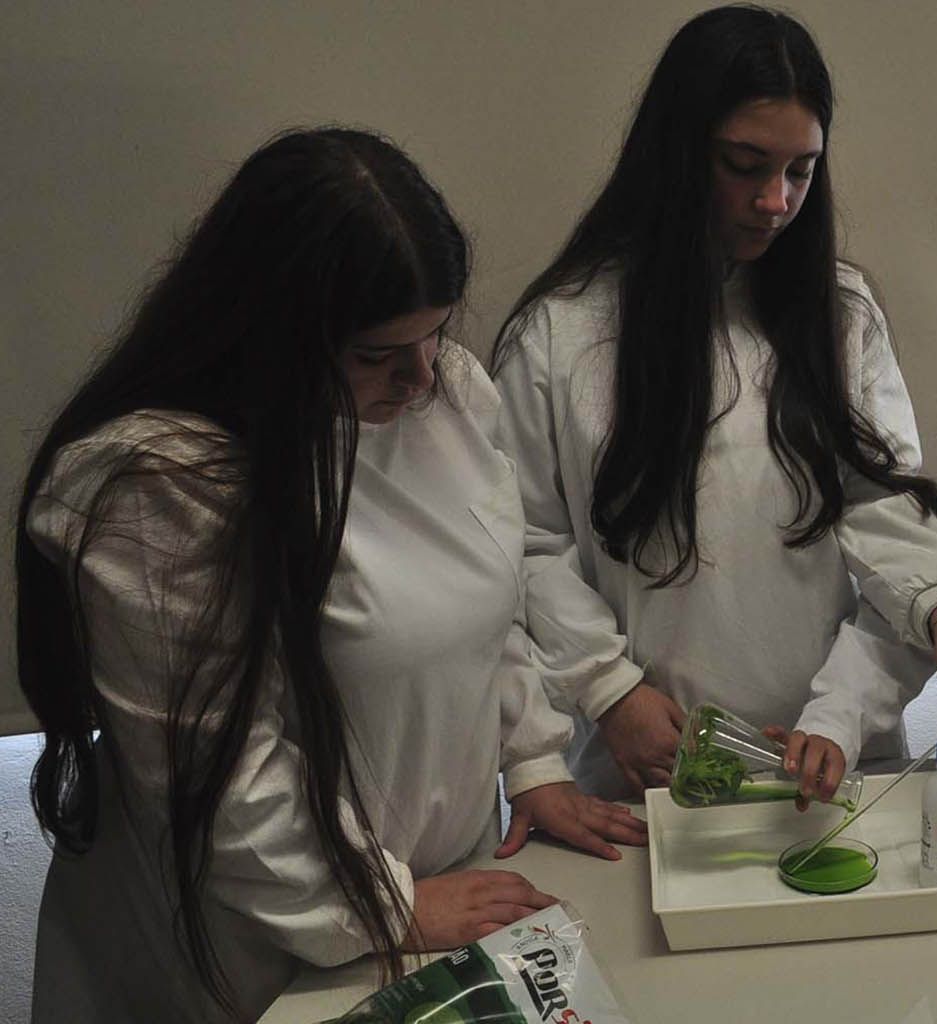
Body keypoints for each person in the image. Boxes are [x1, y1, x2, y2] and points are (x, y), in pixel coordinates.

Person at [16, 128, 645, 1022]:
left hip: (432, 887)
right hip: (259, 933)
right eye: (377, 353)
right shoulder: (159, 489)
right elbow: (222, 772)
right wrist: (385, 907)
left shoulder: (448, 395)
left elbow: (488, 607)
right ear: (270, 332)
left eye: (434, 333)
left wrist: (534, 756)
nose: (421, 375)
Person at [492, 5, 937, 806]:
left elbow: (885, 523)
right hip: (646, 773)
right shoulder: (561, 334)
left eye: (802, 171)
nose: (776, 201)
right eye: (744, 164)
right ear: (677, 154)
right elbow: (527, 547)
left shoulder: (842, 317)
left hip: (833, 766)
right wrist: (608, 690)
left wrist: (912, 647)